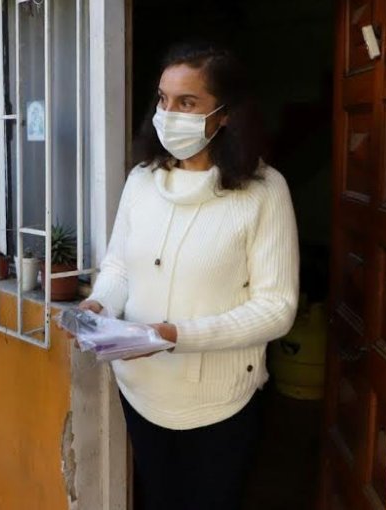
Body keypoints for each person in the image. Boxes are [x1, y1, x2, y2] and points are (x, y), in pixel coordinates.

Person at [79, 42, 299, 509]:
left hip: (221, 404)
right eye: (162, 99)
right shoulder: (142, 180)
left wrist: (176, 335)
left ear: (225, 115)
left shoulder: (263, 191)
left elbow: (276, 309)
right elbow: (119, 266)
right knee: (159, 496)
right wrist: (99, 305)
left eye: (186, 102)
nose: (168, 114)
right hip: (140, 389)